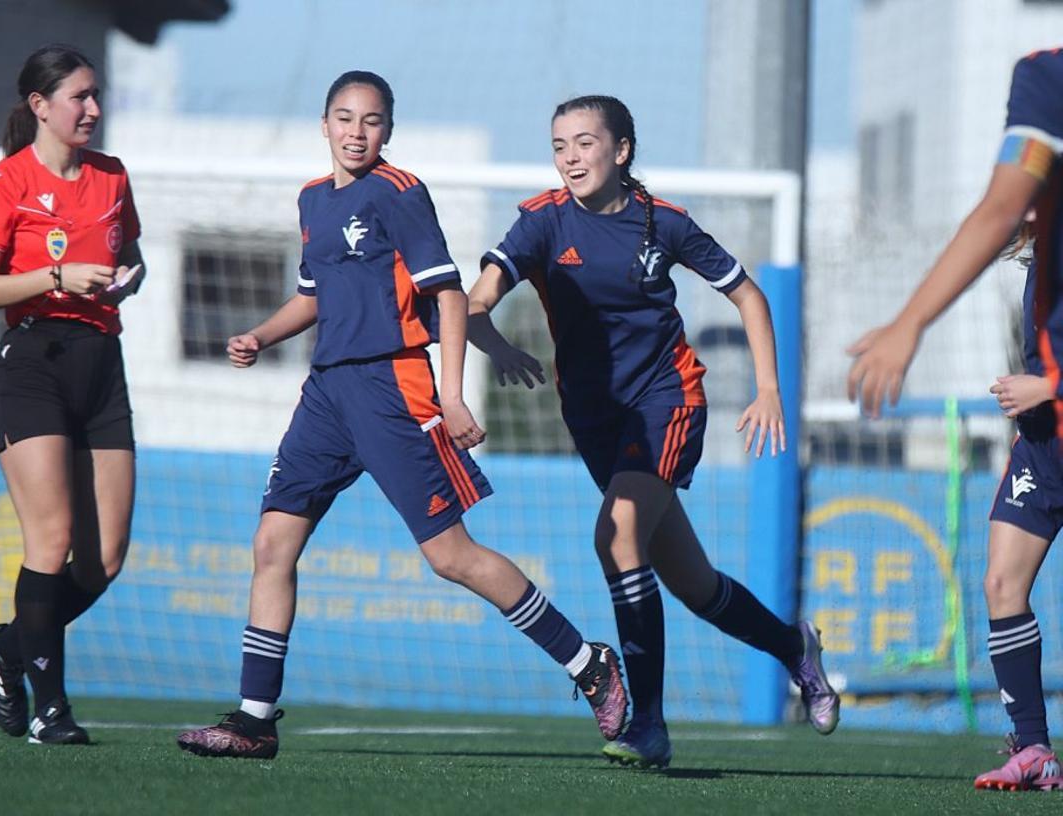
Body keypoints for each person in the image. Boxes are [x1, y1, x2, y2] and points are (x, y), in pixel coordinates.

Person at [175, 71, 627, 761]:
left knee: (451, 556)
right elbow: (314, 294)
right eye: (345, 118)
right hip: (326, 394)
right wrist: (261, 336)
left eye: (372, 121)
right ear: (324, 124)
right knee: (272, 545)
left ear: (388, 129)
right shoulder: (312, 199)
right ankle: (255, 720)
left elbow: (448, 297)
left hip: (394, 388)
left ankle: (586, 662)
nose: (357, 133)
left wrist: (452, 395)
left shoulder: (400, 193)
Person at [467, 95, 840, 769]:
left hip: (667, 400)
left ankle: (649, 724)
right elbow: (476, 302)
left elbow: (748, 295)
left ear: (621, 150)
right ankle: (795, 648)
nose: (571, 157)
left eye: (585, 142)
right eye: (559, 145)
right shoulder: (542, 221)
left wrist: (768, 389)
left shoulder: (661, 222)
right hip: (594, 418)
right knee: (694, 584)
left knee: (615, 535)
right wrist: (494, 342)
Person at [847, 49, 1063, 792]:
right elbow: (1003, 210)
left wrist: (1049, 385)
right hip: (1046, 447)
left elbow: (1000, 207)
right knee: (1002, 582)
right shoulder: (1047, 79)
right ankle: (1034, 750)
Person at [0, 44, 145, 746]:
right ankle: (51, 711)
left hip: (101, 366)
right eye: (79, 97)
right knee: (52, 537)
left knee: (104, 561)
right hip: (34, 364)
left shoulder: (113, 175)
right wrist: (57, 277)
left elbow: (133, 257)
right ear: (41, 106)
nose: (93, 108)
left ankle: (7, 646)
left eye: (96, 95)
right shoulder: (6, 182)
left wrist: (127, 278)